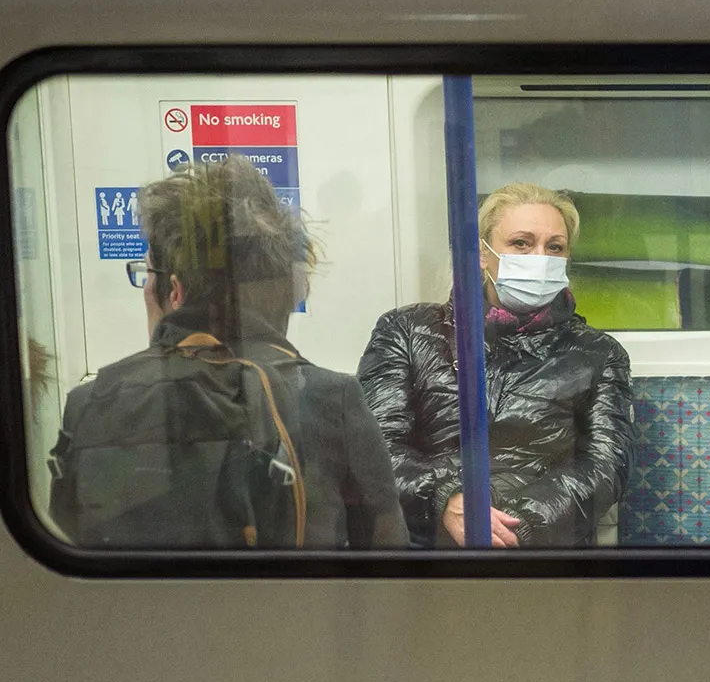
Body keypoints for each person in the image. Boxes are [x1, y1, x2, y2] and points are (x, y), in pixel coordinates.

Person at [48, 155, 406, 549]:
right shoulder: (332, 399)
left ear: (175, 290)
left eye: (147, 274)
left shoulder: (90, 403)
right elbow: (386, 552)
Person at [358, 183, 633, 548]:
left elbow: (605, 465)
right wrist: (448, 501)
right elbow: (374, 446)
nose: (540, 257)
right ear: (482, 255)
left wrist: (519, 524)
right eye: (521, 243)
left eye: (555, 247)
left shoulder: (598, 354)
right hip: (424, 543)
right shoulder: (406, 332)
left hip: (539, 547)